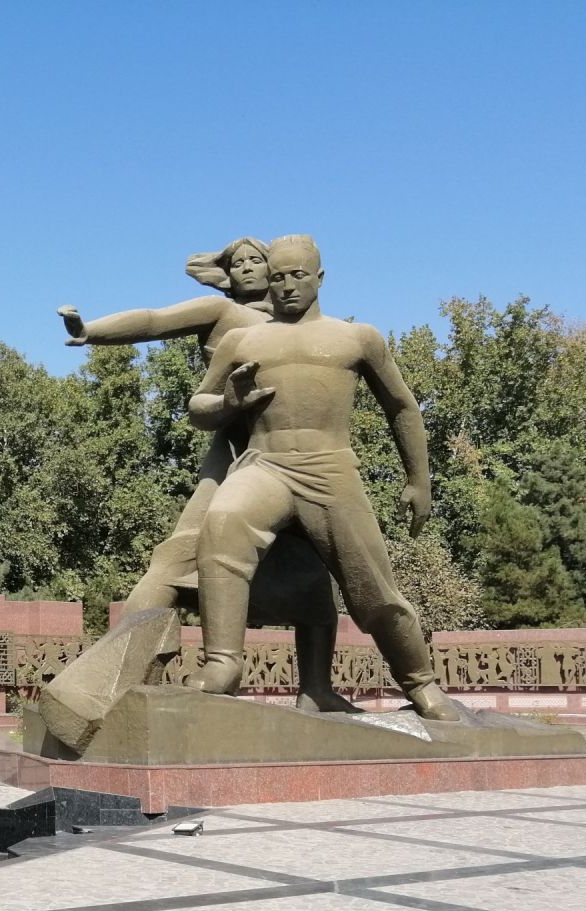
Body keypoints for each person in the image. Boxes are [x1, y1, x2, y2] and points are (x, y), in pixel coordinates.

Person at [57, 238, 353, 713]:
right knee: (177, 561)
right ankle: (120, 678)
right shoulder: (223, 315)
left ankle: (316, 688)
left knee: (313, 579)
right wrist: (90, 331)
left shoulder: (308, 326)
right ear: (225, 275)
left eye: (258, 260)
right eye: (238, 263)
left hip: (305, 466)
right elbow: (153, 321)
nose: (249, 268)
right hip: (236, 460)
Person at [188, 235, 462, 721]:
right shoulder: (241, 340)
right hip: (265, 464)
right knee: (222, 523)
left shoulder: (356, 338)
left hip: (330, 470)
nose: (287, 286)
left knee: (372, 586)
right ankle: (223, 663)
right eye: (277, 277)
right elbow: (199, 407)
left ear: (319, 277)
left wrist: (419, 480)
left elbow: (401, 407)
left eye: (297, 275)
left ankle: (420, 683)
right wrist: (228, 402)